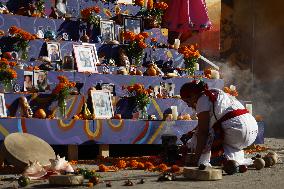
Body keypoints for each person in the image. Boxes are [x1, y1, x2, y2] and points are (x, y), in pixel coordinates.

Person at [180, 80, 258, 166]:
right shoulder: (217, 92)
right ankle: (229, 159)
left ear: (193, 95)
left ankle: (217, 158)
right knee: (202, 132)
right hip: (253, 130)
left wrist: (196, 160)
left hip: (238, 132)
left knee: (198, 138)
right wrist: (191, 132)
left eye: (187, 101)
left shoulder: (202, 100)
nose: (188, 105)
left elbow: (203, 132)